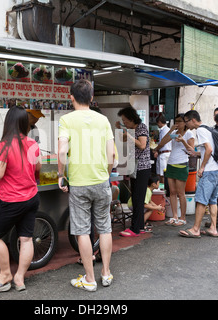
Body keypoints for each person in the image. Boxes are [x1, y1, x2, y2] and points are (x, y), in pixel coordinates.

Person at [58, 79, 114, 292]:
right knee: (105, 228)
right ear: (92, 98)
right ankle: (106, 273)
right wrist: (106, 174)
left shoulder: (67, 120)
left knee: (82, 231)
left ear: (70, 96)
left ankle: (89, 279)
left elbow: (62, 152)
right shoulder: (103, 120)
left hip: (79, 183)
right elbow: (111, 155)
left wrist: (60, 175)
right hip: (101, 180)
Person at [0, 106, 41, 294]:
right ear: (25, 123)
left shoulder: (3, 145)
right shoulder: (33, 144)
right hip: (31, 197)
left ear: (8, 123)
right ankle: (20, 277)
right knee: (26, 239)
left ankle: (5, 275)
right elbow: (38, 169)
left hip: (11, 200)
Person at [179, 110, 218, 238]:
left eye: (186, 122)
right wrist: (196, 154)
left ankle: (195, 229)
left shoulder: (200, 131)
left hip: (209, 171)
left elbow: (209, 149)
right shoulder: (209, 129)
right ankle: (213, 228)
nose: (186, 125)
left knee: (201, 201)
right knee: (213, 201)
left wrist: (202, 167)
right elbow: (208, 151)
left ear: (193, 120)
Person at [153, 114, 195, 227]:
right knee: (172, 192)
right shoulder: (174, 133)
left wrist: (183, 141)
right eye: (175, 121)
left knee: (181, 193)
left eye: (180, 121)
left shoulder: (189, 133)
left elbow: (192, 151)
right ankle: (175, 216)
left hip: (182, 164)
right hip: (171, 163)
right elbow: (163, 142)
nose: (177, 124)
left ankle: (183, 218)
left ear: (185, 123)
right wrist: (171, 130)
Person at [116, 106, 151, 237]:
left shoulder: (141, 127)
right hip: (134, 167)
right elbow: (123, 139)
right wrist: (121, 129)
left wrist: (129, 135)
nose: (124, 122)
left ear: (132, 118)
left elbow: (142, 145)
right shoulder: (132, 129)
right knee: (137, 197)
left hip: (141, 167)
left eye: (125, 120)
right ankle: (140, 226)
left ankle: (134, 229)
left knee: (137, 198)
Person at [154, 114, 171, 183]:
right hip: (163, 153)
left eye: (157, 123)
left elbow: (162, 143)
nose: (157, 125)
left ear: (160, 122)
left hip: (164, 153)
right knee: (160, 172)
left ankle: (163, 189)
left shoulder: (165, 130)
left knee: (162, 174)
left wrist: (156, 149)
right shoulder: (164, 130)